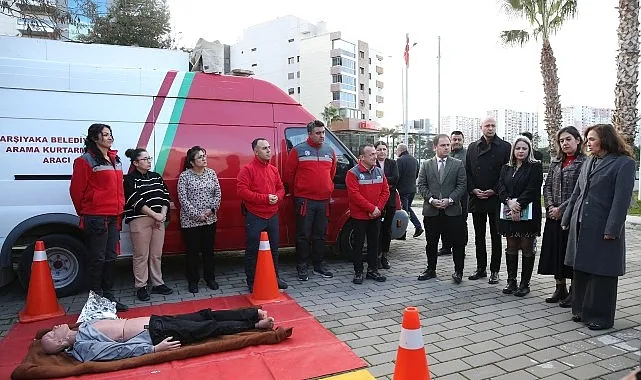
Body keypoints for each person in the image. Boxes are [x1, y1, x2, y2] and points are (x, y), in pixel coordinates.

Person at [561, 124, 635, 330]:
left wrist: (612, 229)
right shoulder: (589, 162)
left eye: (592, 139)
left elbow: (621, 201)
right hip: (582, 224)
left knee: (603, 272)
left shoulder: (624, 164)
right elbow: (577, 192)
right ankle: (581, 311)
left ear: (605, 139)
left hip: (604, 227)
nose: (587, 143)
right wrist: (567, 217)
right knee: (582, 268)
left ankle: (601, 317)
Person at [40, 308, 275, 361]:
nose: (54, 328)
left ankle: (252, 313)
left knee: (204, 315)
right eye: (52, 334)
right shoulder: (83, 347)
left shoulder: (80, 328)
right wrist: (153, 349)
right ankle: (255, 326)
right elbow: (116, 351)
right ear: (60, 342)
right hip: (155, 333)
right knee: (207, 328)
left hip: (155, 322)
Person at [70, 123, 127, 312]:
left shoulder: (114, 159)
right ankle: (96, 299)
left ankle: (108, 297)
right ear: (95, 138)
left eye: (110, 134)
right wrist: (87, 212)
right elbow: (76, 191)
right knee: (98, 257)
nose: (110, 137)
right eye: (105, 135)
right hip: (96, 216)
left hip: (114, 215)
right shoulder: (85, 160)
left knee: (111, 256)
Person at [537, 127, 586, 306]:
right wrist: (550, 206)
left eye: (568, 139)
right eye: (562, 141)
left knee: (570, 251)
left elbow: (579, 191)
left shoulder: (584, 162)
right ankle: (560, 287)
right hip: (553, 215)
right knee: (555, 251)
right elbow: (547, 185)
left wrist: (562, 210)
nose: (565, 143)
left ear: (578, 140)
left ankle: (575, 291)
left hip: (572, 216)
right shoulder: (556, 161)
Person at [284, 120, 336, 281]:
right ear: (309, 134)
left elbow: (331, 173)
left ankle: (318, 266)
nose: (322, 136)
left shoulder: (329, 150)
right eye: (318, 133)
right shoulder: (298, 151)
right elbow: (288, 175)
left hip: (323, 200)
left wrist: (326, 188)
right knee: (303, 235)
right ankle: (302, 267)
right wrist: (300, 192)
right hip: (305, 200)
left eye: (323, 132)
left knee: (320, 235)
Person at [237, 138, 288, 291]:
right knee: (252, 249)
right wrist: (265, 198)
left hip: (272, 215)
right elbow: (242, 191)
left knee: (274, 249)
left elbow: (281, 188)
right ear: (256, 151)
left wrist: (277, 197)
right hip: (255, 215)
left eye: (269, 147)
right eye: (264, 148)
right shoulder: (247, 170)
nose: (268, 150)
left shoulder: (273, 169)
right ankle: (251, 281)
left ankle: (275, 277)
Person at [123, 148, 173, 301]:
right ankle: (141, 286)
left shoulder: (156, 176)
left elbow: (165, 196)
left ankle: (158, 283)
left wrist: (163, 214)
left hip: (159, 219)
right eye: (144, 159)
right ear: (136, 163)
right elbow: (135, 201)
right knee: (141, 255)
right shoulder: (130, 179)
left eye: (149, 158)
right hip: (140, 219)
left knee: (156, 254)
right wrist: (155, 214)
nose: (148, 161)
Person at [466, 117, 511, 284]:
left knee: (496, 236)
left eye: (493, 125)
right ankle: (481, 268)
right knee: (479, 236)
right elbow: (467, 172)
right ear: (481, 127)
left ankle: (495, 270)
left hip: (496, 198)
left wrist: (494, 189)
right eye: (487, 125)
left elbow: (506, 173)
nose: (490, 128)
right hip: (477, 197)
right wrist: (473, 189)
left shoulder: (505, 147)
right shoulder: (472, 147)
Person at [416, 134, 467, 284]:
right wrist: (431, 200)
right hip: (432, 211)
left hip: (452, 211)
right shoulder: (426, 164)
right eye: (443, 145)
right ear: (435, 147)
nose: (446, 148)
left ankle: (458, 271)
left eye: (448, 145)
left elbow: (462, 185)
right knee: (431, 242)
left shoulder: (457, 164)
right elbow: (421, 185)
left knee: (457, 243)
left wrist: (450, 200)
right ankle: (431, 269)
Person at [497, 135, 543, 297]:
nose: (521, 151)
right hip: (508, 212)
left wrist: (518, 205)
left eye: (524, 148)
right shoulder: (506, 167)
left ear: (529, 150)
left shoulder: (535, 166)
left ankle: (525, 283)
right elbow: (501, 187)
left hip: (529, 214)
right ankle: (511, 281)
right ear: (513, 150)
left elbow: (532, 189)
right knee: (511, 245)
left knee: (526, 246)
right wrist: (509, 203)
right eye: (518, 148)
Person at [177, 146, 222, 294]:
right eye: (200, 157)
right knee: (192, 252)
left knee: (209, 251)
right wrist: (198, 215)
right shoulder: (185, 176)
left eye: (204, 156)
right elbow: (183, 199)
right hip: (191, 222)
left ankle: (210, 278)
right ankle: (193, 281)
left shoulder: (211, 173)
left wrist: (211, 210)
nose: (204, 159)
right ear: (191, 162)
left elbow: (218, 193)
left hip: (210, 220)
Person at [345, 144, 389, 284]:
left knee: (374, 244)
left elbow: (385, 191)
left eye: (375, 154)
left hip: (375, 215)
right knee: (358, 245)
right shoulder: (353, 173)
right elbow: (354, 195)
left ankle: (373, 270)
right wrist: (371, 208)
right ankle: (358, 272)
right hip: (360, 216)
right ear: (362, 157)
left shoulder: (379, 172)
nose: (375, 157)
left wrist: (378, 209)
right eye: (372, 154)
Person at [439, 130, 468, 256]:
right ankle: (446, 246)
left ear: (463, 141)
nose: (456, 142)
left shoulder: (467, 155)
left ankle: (461, 247)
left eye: (459, 140)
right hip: (445, 195)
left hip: (462, 195)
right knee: (444, 221)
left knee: (461, 222)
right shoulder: (445, 154)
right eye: (454, 140)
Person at [374, 141, 399, 269]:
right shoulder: (372, 163)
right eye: (379, 149)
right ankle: (376, 257)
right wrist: (385, 182)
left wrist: (381, 181)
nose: (382, 151)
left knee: (387, 230)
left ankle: (384, 256)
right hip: (376, 202)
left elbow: (395, 179)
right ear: (375, 151)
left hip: (389, 202)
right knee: (376, 230)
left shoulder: (393, 163)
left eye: (384, 149)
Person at [395, 143, 424, 238]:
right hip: (412, 189)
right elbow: (416, 174)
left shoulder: (399, 160)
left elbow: (397, 176)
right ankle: (417, 227)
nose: (396, 152)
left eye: (397, 150)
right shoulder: (414, 160)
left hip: (402, 190)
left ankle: (404, 232)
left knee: (404, 211)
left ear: (401, 150)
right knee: (407, 209)